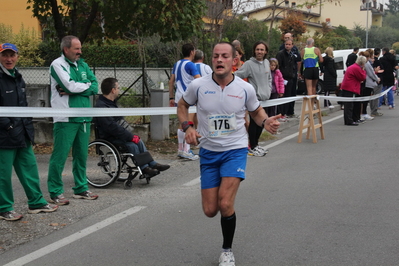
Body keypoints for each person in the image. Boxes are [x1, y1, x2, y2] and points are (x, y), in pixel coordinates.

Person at [177, 42, 281, 266]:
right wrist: (188, 128)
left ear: (234, 61)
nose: (219, 60)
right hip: (209, 153)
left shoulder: (245, 88)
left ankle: (227, 251)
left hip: (235, 150)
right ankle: (225, 232)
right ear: (211, 60)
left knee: (225, 204)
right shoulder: (199, 85)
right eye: (215, 56)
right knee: (210, 210)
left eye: (224, 56)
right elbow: (182, 105)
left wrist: (266, 121)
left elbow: (256, 111)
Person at [0, 43, 58, 221]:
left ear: (17, 56)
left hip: (23, 133)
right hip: (4, 135)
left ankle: (36, 202)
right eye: (5, 55)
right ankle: (4, 208)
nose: (9, 59)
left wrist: (27, 127)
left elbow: (23, 105)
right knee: (3, 174)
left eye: (12, 55)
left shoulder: (18, 76)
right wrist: (7, 126)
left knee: (30, 168)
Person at [47, 35, 99, 206]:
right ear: (66, 49)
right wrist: (82, 87)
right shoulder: (57, 64)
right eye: (76, 49)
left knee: (81, 155)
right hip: (66, 117)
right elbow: (68, 86)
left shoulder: (82, 64)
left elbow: (95, 86)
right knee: (60, 155)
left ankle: (81, 188)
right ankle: (55, 191)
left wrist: (78, 87)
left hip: (84, 116)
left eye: (80, 48)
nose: (80, 52)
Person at [94, 78, 170, 176]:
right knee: (132, 145)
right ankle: (144, 168)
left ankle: (152, 164)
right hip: (109, 138)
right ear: (113, 90)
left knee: (138, 140)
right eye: (118, 88)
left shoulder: (110, 104)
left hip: (117, 135)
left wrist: (131, 136)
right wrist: (129, 137)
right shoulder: (102, 107)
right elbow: (112, 127)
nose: (119, 90)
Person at [235, 41, 272, 157]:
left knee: (262, 122)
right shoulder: (249, 64)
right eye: (258, 49)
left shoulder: (266, 62)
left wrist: (269, 90)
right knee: (254, 123)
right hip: (255, 99)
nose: (259, 52)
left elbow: (269, 78)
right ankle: (252, 146)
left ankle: (256, 144)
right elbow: (237, 75)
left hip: (266, 98)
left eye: (262, 50)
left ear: (265, 51)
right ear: (254, 50)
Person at [168, 43, 201, 160]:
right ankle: (186, 150)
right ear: (192, 52)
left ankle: (181, 149)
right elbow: (199, 80)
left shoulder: (176, 64)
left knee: (182, 123)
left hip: (178, 97)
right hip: (188, 97)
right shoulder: (191, 65)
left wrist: (171, 97)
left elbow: (171, 81)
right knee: (188, 123)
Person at [278, 33, 301, 118]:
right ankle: (282, 113)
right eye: (286, 43)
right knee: (284, 95)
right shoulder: (281, 52)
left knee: (292, 94)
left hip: (292, 76)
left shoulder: (293, 52)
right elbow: (279, 65)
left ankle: (290, 111)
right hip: (284, 77)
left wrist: (297, 72)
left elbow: (298, 59)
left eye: (289, 43)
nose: (287, 45)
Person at [341, 55, 367, 126]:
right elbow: (362, 77)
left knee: (353, 104)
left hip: (349, 87)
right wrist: (363, 70)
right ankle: (349, 120)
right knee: (349, 105)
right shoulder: (357, 68)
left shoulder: (353, 67)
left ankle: (354, 118)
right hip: (350, 88)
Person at [300, 38, 323, 105]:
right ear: (313, 43)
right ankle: (313, 103)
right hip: (315, 69)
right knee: (314, 87)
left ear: (307, 43)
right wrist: (316, 59)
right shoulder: (316, 49)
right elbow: (321, 60)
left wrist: (300, 72)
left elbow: (300, 61)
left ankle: (310, 104)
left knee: (309, 87)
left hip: (307, 69)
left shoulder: (303, 50)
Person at [361, 50, 379, 121]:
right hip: (367, 83)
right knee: (365, 99)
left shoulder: (367, 63)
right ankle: (363, 113)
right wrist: (377, 79)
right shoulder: (367, 64)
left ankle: (363, 113)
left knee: (365, 99)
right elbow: (371, 73)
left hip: (367, 83)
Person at [370, 48, 384, 116]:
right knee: (375, 96)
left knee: (373, 96)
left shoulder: (371, 63)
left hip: (373, 81)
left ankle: (373, 110)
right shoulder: (377, 61)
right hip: (377, 80)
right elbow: (374, 72)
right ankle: (374, 110)